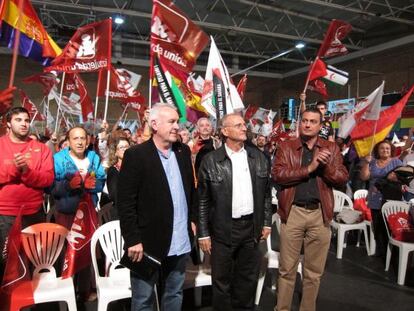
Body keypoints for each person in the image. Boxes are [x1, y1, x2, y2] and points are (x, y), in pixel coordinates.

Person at [117, 103, 196, 311]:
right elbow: (126, 203)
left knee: (175, 293)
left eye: (177, 122)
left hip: (180, 239)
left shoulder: (183, 151)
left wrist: (193, 221)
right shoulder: (136, 155)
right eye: (171, 121)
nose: (176, 126)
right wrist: (133, 239)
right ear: (154, 124)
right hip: (147, 243)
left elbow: (191, 191)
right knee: (143, 300)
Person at [272, 107, 348, 311]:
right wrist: (309, 168)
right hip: (293, 212)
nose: (307, 124)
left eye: (313, 121)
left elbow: (342, 178)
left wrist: (326, 167)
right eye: (304, 120)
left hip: (319, 214)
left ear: (320, 125)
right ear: (300, 122)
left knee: (313, 272)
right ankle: (282, 309)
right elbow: (278, 175)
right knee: (286, 269)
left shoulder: (331, 149)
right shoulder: (286, 146)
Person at [198, 113, 272, 311]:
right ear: (225, 131)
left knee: (247, 280)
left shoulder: (258, 157)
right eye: (238, 125)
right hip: (223, 230)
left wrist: (266, 222)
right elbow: (203, 201)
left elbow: (265, 194)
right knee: (221, 282)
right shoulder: (211, 161)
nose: (244, 128)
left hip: (251, 229)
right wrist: (203, 233)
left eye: (244, 124)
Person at [0, 107, 54, 281]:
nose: (24, 124)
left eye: (26, 120)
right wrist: (13, 168)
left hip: (33, 213)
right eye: (18, 120)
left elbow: (47, 179)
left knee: (34, 261)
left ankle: (31, 303)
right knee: (7, 263)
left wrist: (26, 171)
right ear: (8, 123)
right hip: (6, 215)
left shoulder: (42, 149)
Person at [360, 140, 402, 257]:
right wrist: (366, 163)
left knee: (391, 227)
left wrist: (394, 178)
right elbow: (364, 177)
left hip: (391, 199)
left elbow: (403, 178)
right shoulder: (372, 162)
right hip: (374, 199)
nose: (385, 150)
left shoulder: (396, 162)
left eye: (387, 148)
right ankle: (383, 253)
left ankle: (394, 254)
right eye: (382, 148)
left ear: (391, 150)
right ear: (377, 151)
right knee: (378, 227)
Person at [106, 137, 131, 218]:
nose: (125, 149)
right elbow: (114, 195)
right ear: (116, 152)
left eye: (126, 147)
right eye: (121, 147)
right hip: (122, 213)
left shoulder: (137, 168)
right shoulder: (113, 171)